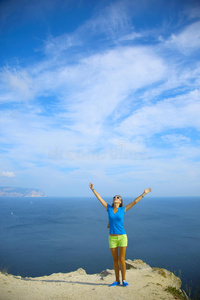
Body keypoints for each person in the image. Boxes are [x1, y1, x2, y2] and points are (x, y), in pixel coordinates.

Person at [89, 182, 152, 287]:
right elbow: (99, 198)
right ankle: (117, 280)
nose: (115, 198)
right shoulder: (108, 208)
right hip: (112, 238)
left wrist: (144, 193)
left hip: (122, 237)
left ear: (120, 201)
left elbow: (135, 202)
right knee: (115, 260)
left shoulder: (123, 209)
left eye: (118, 197)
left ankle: (124, 280)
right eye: (114, 197)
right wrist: (93, 189)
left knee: (122, 259)